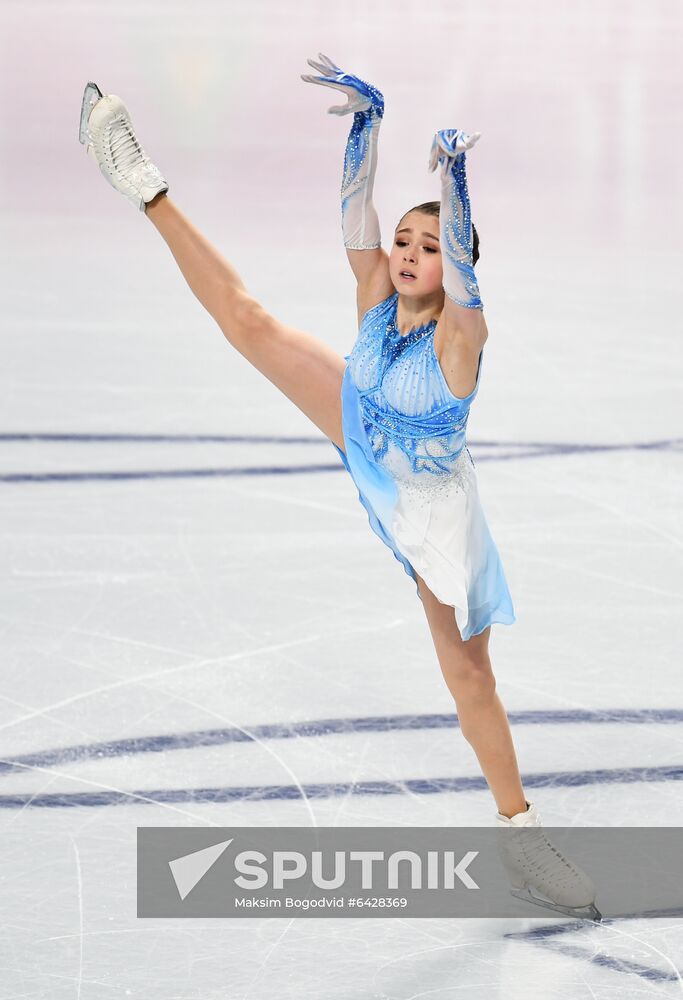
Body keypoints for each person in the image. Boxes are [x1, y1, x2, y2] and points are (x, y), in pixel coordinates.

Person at [77, 59, 600, 921]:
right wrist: (369, 123)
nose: (409, 255)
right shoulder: (375, 296)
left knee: (469, 679)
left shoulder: (460, 339)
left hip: (431, 510)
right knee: (249, 321)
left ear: (452, 266)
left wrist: (454, 185)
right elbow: (357, 217)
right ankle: (143, 184)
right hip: (362, 425)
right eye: (404, 241)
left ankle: (521, 835)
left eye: (428, 248)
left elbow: (463, 270)